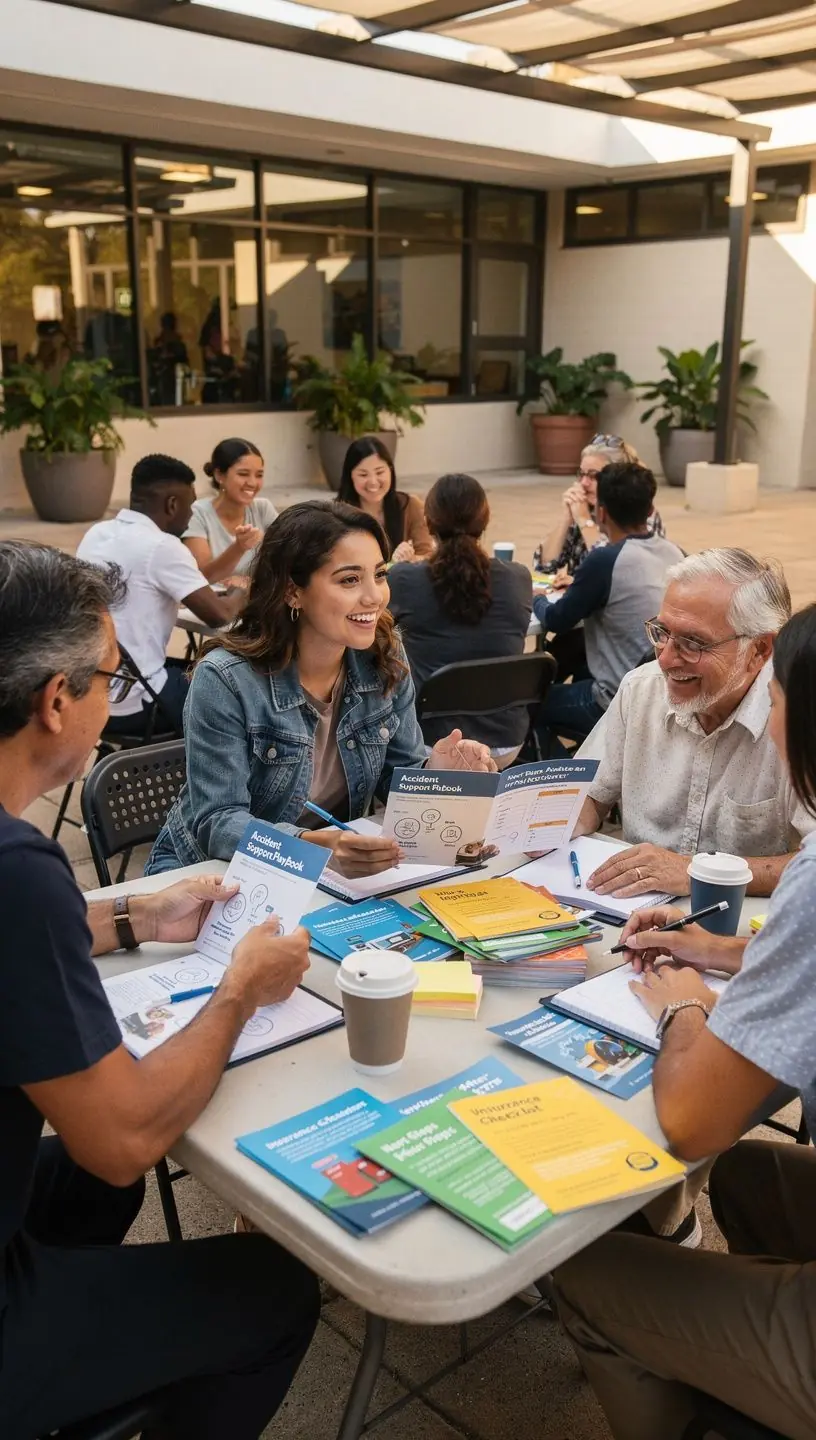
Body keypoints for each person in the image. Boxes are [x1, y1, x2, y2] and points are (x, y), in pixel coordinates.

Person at [0, 540, 319, 1440]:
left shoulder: (23, 872)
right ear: (55, 702)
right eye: (111, 675)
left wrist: (137, 917)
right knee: (275, 1290)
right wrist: (238, 993)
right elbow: (124, 1139)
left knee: (91, 1201)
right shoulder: (19, 873)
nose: (118, 699)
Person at [555, 601, 816, 1440]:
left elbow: (694, 1113)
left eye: (777, 698)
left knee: (582, 1270)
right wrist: (719, 951)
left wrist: (680, 1008)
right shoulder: (638, 695)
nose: (669, 657)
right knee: (744, 1175)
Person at [146, 501, 495, 879]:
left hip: (326, 876)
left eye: (379, 574)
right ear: (293, 592)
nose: (374, 596)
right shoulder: (225, 679)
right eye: (349, 580)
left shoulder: (384, 653)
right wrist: (315, 848)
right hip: (207, 875)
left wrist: (436, 771)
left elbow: (397, 777)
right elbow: (218, 822)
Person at [574, 547, 814, 900]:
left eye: (693, 643)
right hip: (633, 914)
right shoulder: (641, 690)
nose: (667, 659)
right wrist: (556, 827)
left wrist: (697, 873)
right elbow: (589, 795)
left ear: (760, 651)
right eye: (661, 632)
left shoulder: (793, 719)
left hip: (738, 928)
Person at [76, 454, 241, 735]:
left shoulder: (97, 533)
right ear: (172, 504)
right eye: (190, 506)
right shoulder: (162, 546)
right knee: (240, 685)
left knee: (197, 668)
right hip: (138, 703)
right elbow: (219, 615)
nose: (191, 515)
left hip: (90, 695)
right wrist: (244, 591)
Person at [534, 462, 684, 746]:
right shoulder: (673, 551)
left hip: (614, 700)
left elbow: (556, 620)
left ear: (601, 513)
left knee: (524, 706)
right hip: (660, 693)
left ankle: (564, 776)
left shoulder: (605, 560)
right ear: (650, 511)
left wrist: (537, 598)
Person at [388, 473, 532, 760]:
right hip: (505, 742)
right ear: (485, 521)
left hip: (431, 743)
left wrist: (396, 568)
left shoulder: (403, 579)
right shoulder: (518, 577)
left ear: (428, 523)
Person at [536, 433, 664, 586]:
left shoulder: (638, 511)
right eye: (581, 474)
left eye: (593, 476)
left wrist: (585, 521)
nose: (583, 483)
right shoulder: (583, 506)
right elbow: (545, 567)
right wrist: (566, 518)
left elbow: (621, 568)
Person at [183, 438, 277, 586]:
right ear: (219, 475)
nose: (252, 483)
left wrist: (250, 583)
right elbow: (202, 577)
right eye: (243, 474)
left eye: (259, 475)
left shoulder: (263, 508)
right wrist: (239, 547)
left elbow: (288, 560)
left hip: (255, 600)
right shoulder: (197, 513)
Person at [337, 436, 432, 563]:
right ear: (350, 476)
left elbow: (428, 555)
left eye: (380, 472)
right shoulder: (336, 513)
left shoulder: (409, 505)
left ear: (390, 471)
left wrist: (411, 559)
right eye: (363, 475)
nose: (373, 482)